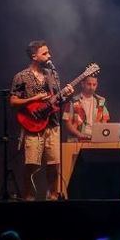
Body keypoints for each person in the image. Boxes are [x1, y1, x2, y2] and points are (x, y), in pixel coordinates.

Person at [10, 40, 74, 200]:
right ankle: (29, 197)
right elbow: (13, 101)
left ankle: (52, 196)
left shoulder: (52, 75)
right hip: (32, 125)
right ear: (34, 56)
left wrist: (68, 95)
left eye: (48, 52)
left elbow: (58, 101)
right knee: (31, 164)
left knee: (54, 164)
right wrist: (34, 99)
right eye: (45, 53)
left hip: (52, 124)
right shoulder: (21, 76)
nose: (49, 55)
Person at [62, 75, 110, 142]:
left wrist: (100, 135)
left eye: (94, 85)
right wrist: (79, 135)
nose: (91, 87)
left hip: (96, 139)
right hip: (76, 140)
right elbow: (67, 122)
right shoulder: (72, 100)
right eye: (89, 84)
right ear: (82, 84)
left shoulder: (101, 101)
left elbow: (104, 120)